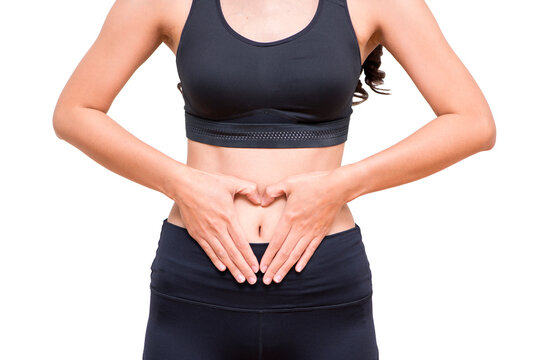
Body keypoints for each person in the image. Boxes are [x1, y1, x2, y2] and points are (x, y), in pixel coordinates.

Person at [52, 0, 496, 358]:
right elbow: (75, 111)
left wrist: (343, 184)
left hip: (322, 280)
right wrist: (180, 182)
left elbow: (473, 122)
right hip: (196, 274)